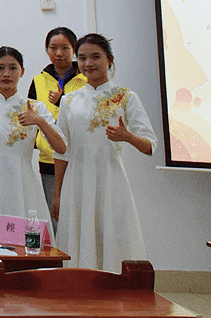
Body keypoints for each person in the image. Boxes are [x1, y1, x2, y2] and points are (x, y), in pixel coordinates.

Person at [53, 34, 156, 271]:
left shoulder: (126, 97)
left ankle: (114, 284)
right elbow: (61, 152)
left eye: (95, 57)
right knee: (77, 236)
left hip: (110, 179)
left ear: (109, 59)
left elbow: (150, 145)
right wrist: (57, 194)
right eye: (82, 58)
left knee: (112, 235)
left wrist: (127, 137)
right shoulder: (69, 101)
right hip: (76, 181)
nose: (88, 63)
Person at [0, 46, 64, 242]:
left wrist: (40, 122)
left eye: (13, 68)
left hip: (23, 186)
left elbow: (61, 147)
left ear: (22, 71)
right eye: (0, 68)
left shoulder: (35, 107)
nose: (6, 74)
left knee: (26, 244)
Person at [27, 27, 87, 223]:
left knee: (81, 215)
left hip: (80, 156)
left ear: (74, 50)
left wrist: (63, 100)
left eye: (65, 48)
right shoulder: (38, 80)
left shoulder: (86, 79)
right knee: (55, 215)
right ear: (46, 49)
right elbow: (31, 116)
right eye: (53, 48)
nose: (59, 53)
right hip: (49, 158)